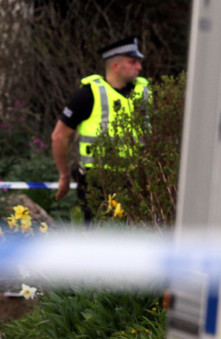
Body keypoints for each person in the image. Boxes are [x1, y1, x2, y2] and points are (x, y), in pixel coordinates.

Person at [51, 35, 150, 221]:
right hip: (97, 183)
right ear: (116, 66)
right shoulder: (88, 95)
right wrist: (64, 175)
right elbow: (59, 136)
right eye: (133, 62)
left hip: (138, 181)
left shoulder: (144, 94)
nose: (139, 67)